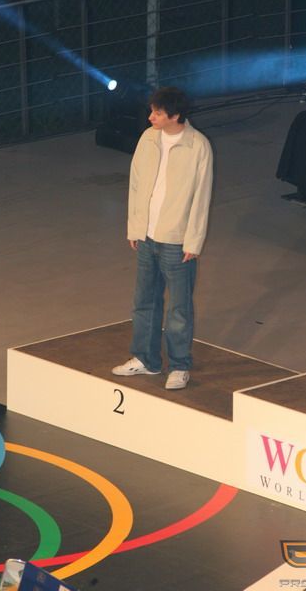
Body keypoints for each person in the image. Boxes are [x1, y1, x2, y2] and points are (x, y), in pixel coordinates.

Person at [112, 87, 213, 389]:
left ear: (175, 115)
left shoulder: (198, 146)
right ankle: (146, 359)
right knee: (144, 301)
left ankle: (179, 366)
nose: (150, 117)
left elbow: (201, 197)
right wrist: (135, 227)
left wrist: (193, 241)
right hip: (147, 236)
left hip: (177, 240)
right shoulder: (148, 138)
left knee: (179, 308)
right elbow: (136, 184)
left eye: (157, 113)